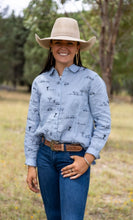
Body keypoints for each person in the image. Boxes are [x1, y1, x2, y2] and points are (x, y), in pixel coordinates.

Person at [24, 17, 111, 220]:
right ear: (51, 46)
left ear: (78, 47)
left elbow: (104, 124)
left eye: (70, 43)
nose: (64, 47)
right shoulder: (40, 82)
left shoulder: (91, 81)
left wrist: (87, 159)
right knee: (53, 217)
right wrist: (31, 165)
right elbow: (32, 124)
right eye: (58, 42)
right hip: (44, 158)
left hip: (74, 159)